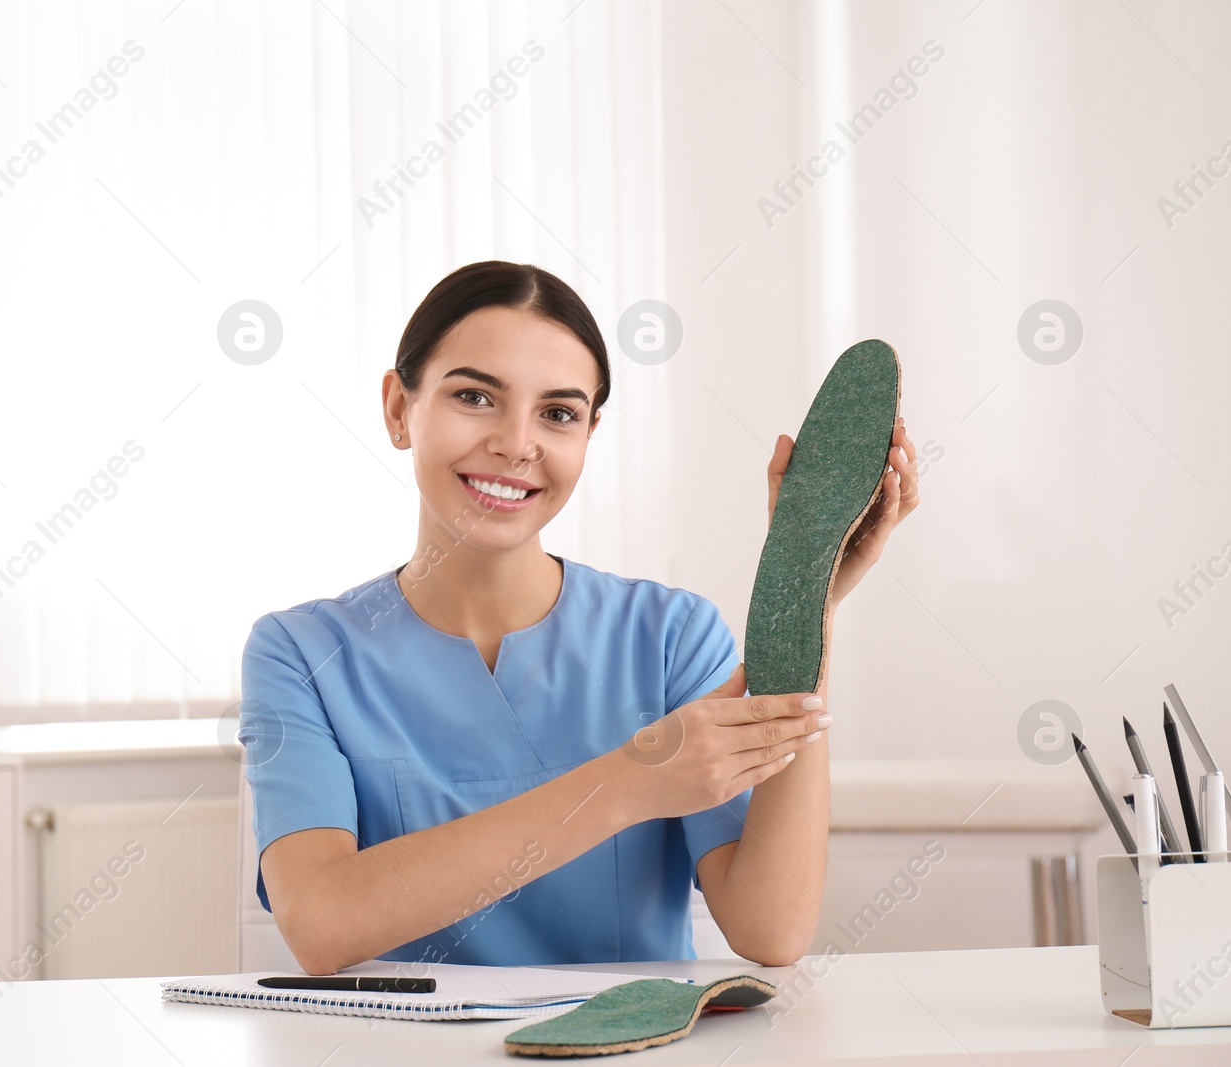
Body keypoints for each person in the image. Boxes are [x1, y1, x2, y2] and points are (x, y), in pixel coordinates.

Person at [240, 260, 919, 975]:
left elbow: (771, 927)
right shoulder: (299, 654)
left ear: (590, 433)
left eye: (558, 413)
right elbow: (320, 922)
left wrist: (806, 597)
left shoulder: (668, 637)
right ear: (398, 408)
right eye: (475, 396)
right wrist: (631, 779)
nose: (515, 442)